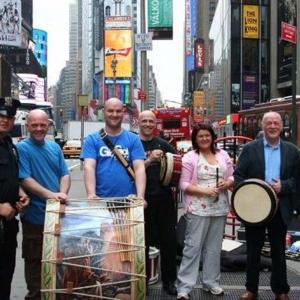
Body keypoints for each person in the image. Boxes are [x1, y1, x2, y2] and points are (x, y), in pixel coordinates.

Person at [233, 111, 299, 300]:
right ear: (263, 125)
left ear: (281, 126)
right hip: (255, 208)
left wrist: (283, 186)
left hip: (280, 206)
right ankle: (251, 289)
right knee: (253, 249)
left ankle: (281, 290)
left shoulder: (292, 151)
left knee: (279, 250)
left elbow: (297, 180)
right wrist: (249, 194)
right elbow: (238, 176)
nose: (272, 126)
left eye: (276, 123)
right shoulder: (249, 149)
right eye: (268, 123)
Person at [16, 109, 71, 300]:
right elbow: (24, 179)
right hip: (35, 218)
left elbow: (65, 174)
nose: (39, 129)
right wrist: (52, 196)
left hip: (57, 217)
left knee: (58, 265)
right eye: (34, 125)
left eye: (42, 125)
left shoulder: (54, 147)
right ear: (28, 125)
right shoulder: (22, 148)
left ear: (48, 125)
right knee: (35, 267)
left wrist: (62, 194)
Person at [176, 123, 234, 300]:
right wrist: (204, 191)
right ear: (195, 138)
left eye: (207, 135)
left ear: (212, 137)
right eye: (200, 136)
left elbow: (232, 175)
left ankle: (211, 282)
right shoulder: (190, 158)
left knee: (214, 248)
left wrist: (228, 182)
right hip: (197, 209)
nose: (204, 139)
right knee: (192, 248)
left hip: (219, 208)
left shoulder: (223, 155)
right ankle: (184, 287)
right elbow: (183, 184)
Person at [138, 110, 177, 296]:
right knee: (141, 244)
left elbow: (178, 169)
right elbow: (130, 170)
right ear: (138, 122)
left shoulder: (165, 145)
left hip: (165, 201)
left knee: (168, 244)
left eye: (151, 121)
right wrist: (149, 160)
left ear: (156, 124)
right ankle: (141, 283)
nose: (147, 124)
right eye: (144, 120)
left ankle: (169, 282)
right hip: (141, 201)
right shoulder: (132, 144)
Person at [81, 97, 146, 200]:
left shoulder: (134, 139)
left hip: (130, 201)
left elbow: (139, 168)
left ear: (123, 112)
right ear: (104, 112)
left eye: (118, 111)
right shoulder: (92, 140)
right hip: (100, 201)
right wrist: (91, 194)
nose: (114, 115)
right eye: (110, 111)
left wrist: (140, 197)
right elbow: (89, 167)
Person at [0, 97, 30, 300]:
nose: (5, 120)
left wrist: (21, 194)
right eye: (1, 115)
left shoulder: (10, 145)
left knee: (4, 279)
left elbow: (10, 178)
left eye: (9, 117)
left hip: (8, 227)